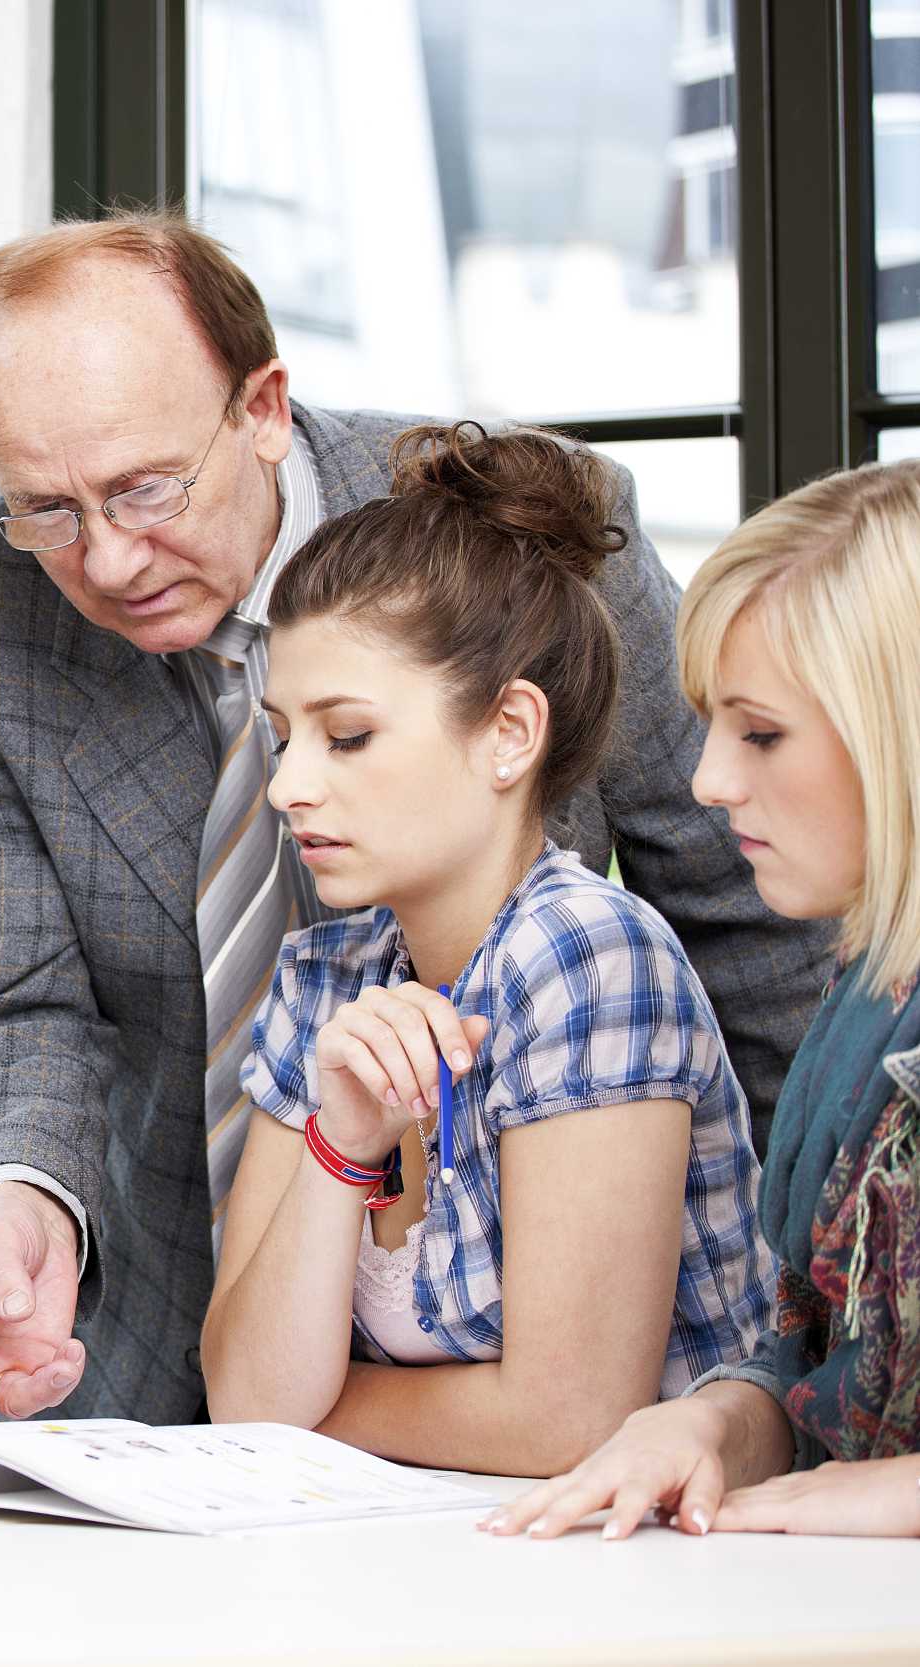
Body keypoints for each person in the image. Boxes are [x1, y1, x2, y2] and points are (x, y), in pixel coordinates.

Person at [0, 211, 832, 1424]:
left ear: (262, 405)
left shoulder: (527, 544)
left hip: (586, 1369)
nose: (108, 559)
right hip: (174, 1338)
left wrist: (836, 1329)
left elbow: (765, 920)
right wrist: (23, 1199)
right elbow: (15, 994)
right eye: (46, 510)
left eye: (145, 488)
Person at [197, 423, 772, 1476]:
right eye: (285, 734)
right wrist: (341, 1140)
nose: (287, 786)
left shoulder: (588, 957)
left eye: (349, 734)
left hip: (655, 1569)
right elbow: (242, 1392)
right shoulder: (322, 977)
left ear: (509, 730)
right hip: (435, 1554)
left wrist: (311, 1413)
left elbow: (567, 1422)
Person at [491, 458, 920, 1540]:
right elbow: (819, 1356)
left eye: (760, 732)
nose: (707, 780)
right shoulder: (868, 994)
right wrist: (712, 1421)